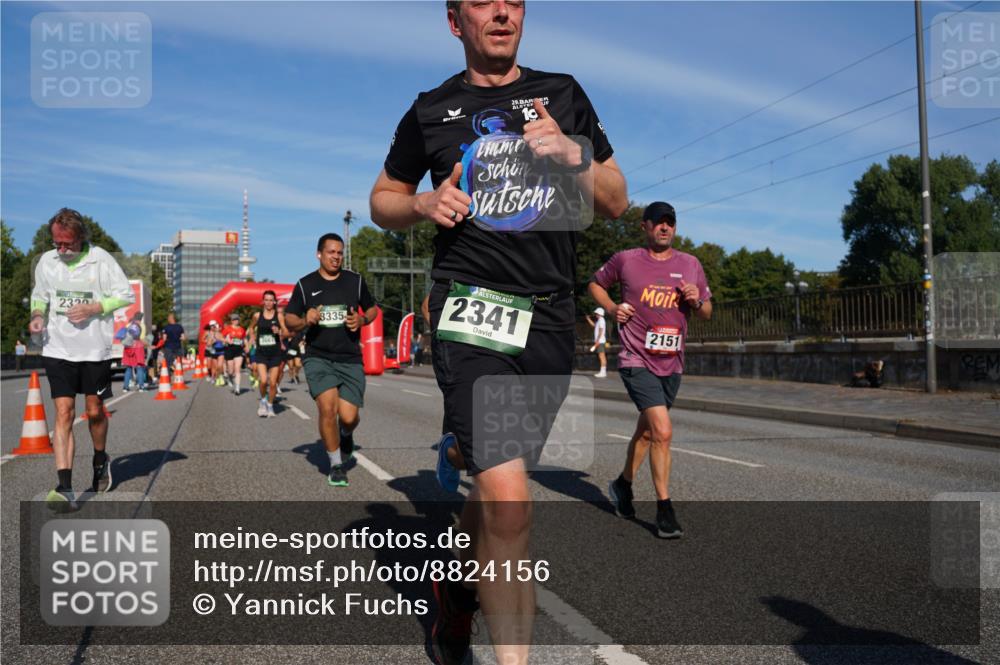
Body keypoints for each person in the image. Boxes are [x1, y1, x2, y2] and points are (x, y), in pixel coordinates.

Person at [369, 2, 627, 662]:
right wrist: (423, 202)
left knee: (494, 488)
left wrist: (574, 155)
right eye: (485, 2)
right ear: (456, 22)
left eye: (514, 0)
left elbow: (617, 197)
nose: (504, 12)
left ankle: (455, 589)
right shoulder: (431, 109)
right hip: (469, 307)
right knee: (511, 503)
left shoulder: (563, 94)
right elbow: (382, 198)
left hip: (547, 314)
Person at [589, 201, 713, 539]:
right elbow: (595, 284)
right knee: (663, 430)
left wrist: (696, 300)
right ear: (644, 226)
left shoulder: (690, 264)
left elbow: (706, 312)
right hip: (636, 358)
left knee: (648, 433)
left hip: (672, 362)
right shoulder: (626, 259)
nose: (664, 227)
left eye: (669, 223)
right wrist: (613, 308)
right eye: (658, 222)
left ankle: (622, 485)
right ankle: (665, 509)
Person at [28, 208, 134, 511]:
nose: (61, 250)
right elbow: (40, 296)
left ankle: (101, 459)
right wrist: (37, 316)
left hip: (94, 350)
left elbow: (124, 295)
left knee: (94, 410)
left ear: (81, 238)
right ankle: (64, 488)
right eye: (56, 244)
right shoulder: (47, 262)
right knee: (63, 413)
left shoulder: (101, 259)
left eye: (68, 244)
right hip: (57, 348)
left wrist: (93, 308)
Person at [284, 233, 378, 488]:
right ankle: (336, 465)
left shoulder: (355, 281)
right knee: (328, 409)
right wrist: (306, 320)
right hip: (318, 357)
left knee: (348, 417)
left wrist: (362, 320)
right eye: (331, 252)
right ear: (319, 254)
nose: (336, 257)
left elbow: (372, 308)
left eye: (339, 252)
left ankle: (346, 434)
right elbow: (289, 318)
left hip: (349, 358)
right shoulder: (305, 284)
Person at [250, 290, 287, 417]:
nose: (269, 302)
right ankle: (263, 401)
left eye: (271, 300)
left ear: (275, 302)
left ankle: (270, 406)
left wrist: (279, 332)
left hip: (275, 353)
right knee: (264, 380)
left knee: (273, 382)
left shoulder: (279, 316)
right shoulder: (257, 315)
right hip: (261, 353)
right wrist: (252, 338)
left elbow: (286, 332)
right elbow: (250, 328)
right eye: (266, 300)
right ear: (263, 301)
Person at [118, 311, 147, 391]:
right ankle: (141, 387)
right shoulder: (141, 325)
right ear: (141, 318)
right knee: (139, 367)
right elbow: (141, 338)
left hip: (128, 348)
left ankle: (125, 387)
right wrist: (148, 345)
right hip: (138, 348)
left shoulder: (128, 325)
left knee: (128, 367)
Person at [221, 313, 247, 395]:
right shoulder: (228, 329)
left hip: (239, 350)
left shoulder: (242, 329)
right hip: (229, 350)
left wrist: (246, 346)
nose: (236, 321)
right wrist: (226, 340)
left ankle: (237, 389)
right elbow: (221, 337)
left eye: (237, 319)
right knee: (231, 371)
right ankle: (229, 378)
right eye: (234, 319)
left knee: (237, 369)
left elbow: (244, 339)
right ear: (231, 321)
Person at [585, 306, 608, 377]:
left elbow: (601, 331)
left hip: (600, 341)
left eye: (596, 313)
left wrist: (597, 341)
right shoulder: (600, 320)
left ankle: (603, 372)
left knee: (602, 356)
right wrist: (588, 319)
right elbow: (594, 326)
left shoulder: (601, 320)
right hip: (600, 341)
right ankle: (602, 372)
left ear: (599, 313)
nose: (595, 315)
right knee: (601, 356)